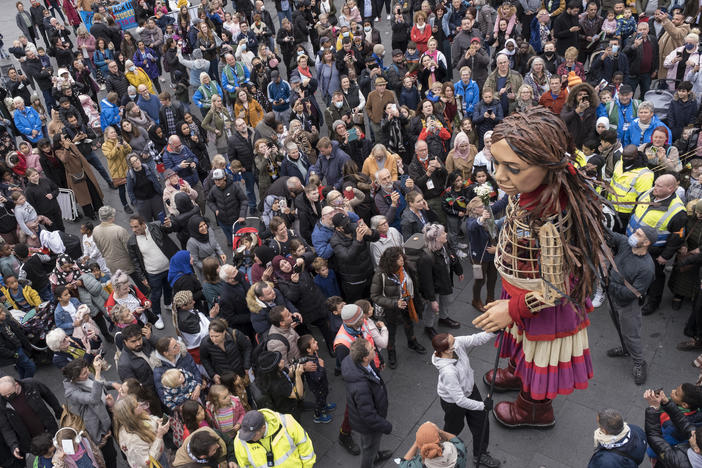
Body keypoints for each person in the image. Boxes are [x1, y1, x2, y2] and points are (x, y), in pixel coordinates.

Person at [474, 107, 612, 428]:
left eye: (513, 168)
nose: (499, 176)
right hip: (519, 287)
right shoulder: (524, 191)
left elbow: (555, 288)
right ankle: (518, 374)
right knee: (522, 347)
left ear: (547, 167)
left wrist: (514, 308)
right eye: (497, 163)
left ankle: (534, 409)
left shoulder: (550, 217)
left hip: (540, 304)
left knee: (541, 358)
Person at [430, 333, 499, 467]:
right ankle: (443, 452)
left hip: (470, 390)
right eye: (453, 342)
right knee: (453, 429)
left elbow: (475, 339)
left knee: (482, 422)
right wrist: (482, 405)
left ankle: (480, 454)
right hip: (453, 403)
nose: (456, 341)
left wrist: (493, 331)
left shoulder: (455, 344)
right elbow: (460, 400)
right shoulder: (448, 372)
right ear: (447, 350)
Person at [627, 174, 687, 316]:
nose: (655, 187)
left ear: (670, 189)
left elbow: (677, 237)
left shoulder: (677, 211)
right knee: (637, 273)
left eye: (659, 186)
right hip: (636, 244)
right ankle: (640, 294)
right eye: (655, 184)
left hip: (654, 251)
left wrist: (665, 256)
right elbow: (635, 211)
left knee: (655, 278)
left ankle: (653, 302)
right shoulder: (648, 193)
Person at [370, 247, 425, 369]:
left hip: (407, 302)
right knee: (391, 330)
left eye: (402, 256)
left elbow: (414, 282)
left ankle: (412, 342)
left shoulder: (405, 267)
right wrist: (395, 303)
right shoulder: (380, 274)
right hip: (391, 308)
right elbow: (375, 296)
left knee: (409, 324)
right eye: (398, 258)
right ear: (391, 261)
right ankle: (391, 351)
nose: (402, 259)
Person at [342, 338, 393, 468]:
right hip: (369, 426)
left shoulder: (353, 361)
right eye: (371, 349)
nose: (374, 349)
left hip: (367, 420)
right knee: (369, 448)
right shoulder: (361, 387)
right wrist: (386, 426)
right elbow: (369, 415)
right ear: (365, 358)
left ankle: (375, 455)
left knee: (371, 445)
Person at [62, 356, 118, 468]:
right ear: (74, 379)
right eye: (83, 373)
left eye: (87, 369)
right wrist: (97, 373)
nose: (88, 372)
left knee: (120, 438)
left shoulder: (86, 375)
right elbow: (93, 399)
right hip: (98, 425)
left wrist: (113, 384)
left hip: (107, 411)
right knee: (110, 455)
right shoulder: (71, 392)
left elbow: (100, 383)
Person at [127, 215, 178, 327]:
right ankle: (157, 314)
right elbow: (135, 261)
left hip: (168, 267)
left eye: (136, 226)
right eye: (132, 227)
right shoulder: (132, 241)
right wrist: (142, 277)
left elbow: (170, 228)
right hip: (153, 273)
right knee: (156, 294)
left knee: (169, 287)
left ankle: (168, 303)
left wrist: (170, 224)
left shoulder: (155, 227)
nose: (134, 230)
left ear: (143, 223)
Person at [417, 224, 462, 339]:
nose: (446, 234)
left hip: (445, 280)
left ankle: (443, 318)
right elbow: (426, 281)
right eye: (443, 233)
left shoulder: (444, 244)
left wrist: (459, 270)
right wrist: (432, 299)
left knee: (446, 301)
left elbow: (453, 256)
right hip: (434, 287)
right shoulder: (426, 257)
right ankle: (429, 326)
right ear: (436, 238)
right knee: (432, 309)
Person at [234, 409, 316, 468]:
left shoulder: (287, 423)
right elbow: (245, 465)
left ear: (263, 428)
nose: (248, 439)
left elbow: (305, 447)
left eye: (252, 435)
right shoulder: (240, 440)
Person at [112, 394, 170, 468]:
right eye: (137, 405)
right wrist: (159, 435)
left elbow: (148, 419)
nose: (140, 404)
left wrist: (157, 421)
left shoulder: (137, 417)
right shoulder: (132, 439)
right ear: (130, 413)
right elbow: (147, 463)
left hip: (158, 454)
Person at [200, 318, 253, 384]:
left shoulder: (235, 334)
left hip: (241, 372)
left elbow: (247, 347)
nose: (214, 339)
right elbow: (204, 358)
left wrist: (247, 365)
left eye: (217, 336)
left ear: (224, 332)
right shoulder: (205, 343)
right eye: (211, 336)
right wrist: (213, 374)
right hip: (225, 378)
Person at [207, 168, 248, 247]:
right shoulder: (214, 189)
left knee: (239, 240)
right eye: (215, 180)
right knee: (229, 237)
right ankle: (231, 242)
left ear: (224, 177)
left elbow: (244, 200)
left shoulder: (234, 187)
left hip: (236, 220)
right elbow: (209, 201)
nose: (217, 182)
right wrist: (215, 209)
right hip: (222, 220)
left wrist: (242, 215)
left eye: (219, 179)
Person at [400, 422, 468, 468]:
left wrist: (416, 444)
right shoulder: (459, 450)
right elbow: (455, 439)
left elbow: (403, 464)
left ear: (421, 447)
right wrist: (439, 431)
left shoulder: (419, 465)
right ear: (439, 438)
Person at [0, 304, 35, 378]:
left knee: (21, 368)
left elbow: (15, 332)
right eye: (0, 313)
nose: (4, 313)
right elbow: (1, 349)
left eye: (2, 311)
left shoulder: (5, 320)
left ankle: (22, 381)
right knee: (31, 367)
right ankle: (26, 383)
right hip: (15, 352)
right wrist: (14, 354)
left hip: (18, 347)